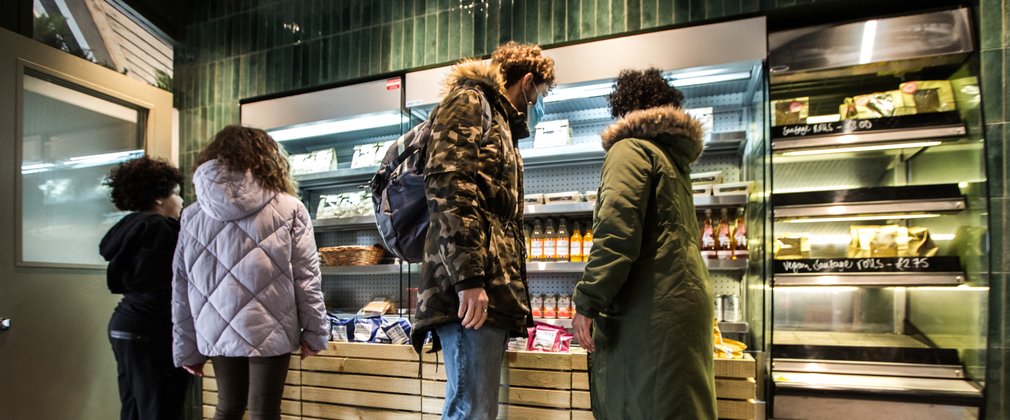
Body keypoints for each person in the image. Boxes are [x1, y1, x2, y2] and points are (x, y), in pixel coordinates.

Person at [410, 41, 555, 419]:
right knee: (471, 410)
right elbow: (448, 187)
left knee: (477, 409)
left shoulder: (499, 119)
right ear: (526, 82)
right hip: (469, 292)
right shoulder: (470, 103)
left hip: (487, 289)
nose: (537, 104)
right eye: (539, 94)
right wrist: (469, 278)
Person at [571, 68, 718, 420]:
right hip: (679, 306)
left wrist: (587, 302)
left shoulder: (630, 150)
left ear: (624, 109)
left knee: (639, 405)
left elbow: (616, 235)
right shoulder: (672, 161)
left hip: (650, 312)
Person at [171, 126, 329, 420]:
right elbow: (306, 277)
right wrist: (315, 333)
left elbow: (182, 285)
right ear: (268, 160)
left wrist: (187, 348)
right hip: (271, 324)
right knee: (264, 410)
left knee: (226, 408)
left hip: (214, 325)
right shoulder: (290, 208)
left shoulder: (192, 215)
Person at [100, 156, 190, 420]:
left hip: (125, 325)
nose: (181, 201)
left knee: (134, 409)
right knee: (162, 409)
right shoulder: (162, 229)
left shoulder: (129, 228)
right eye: (176, 193)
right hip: (153, 330)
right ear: (159, 199)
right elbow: (176, 283)